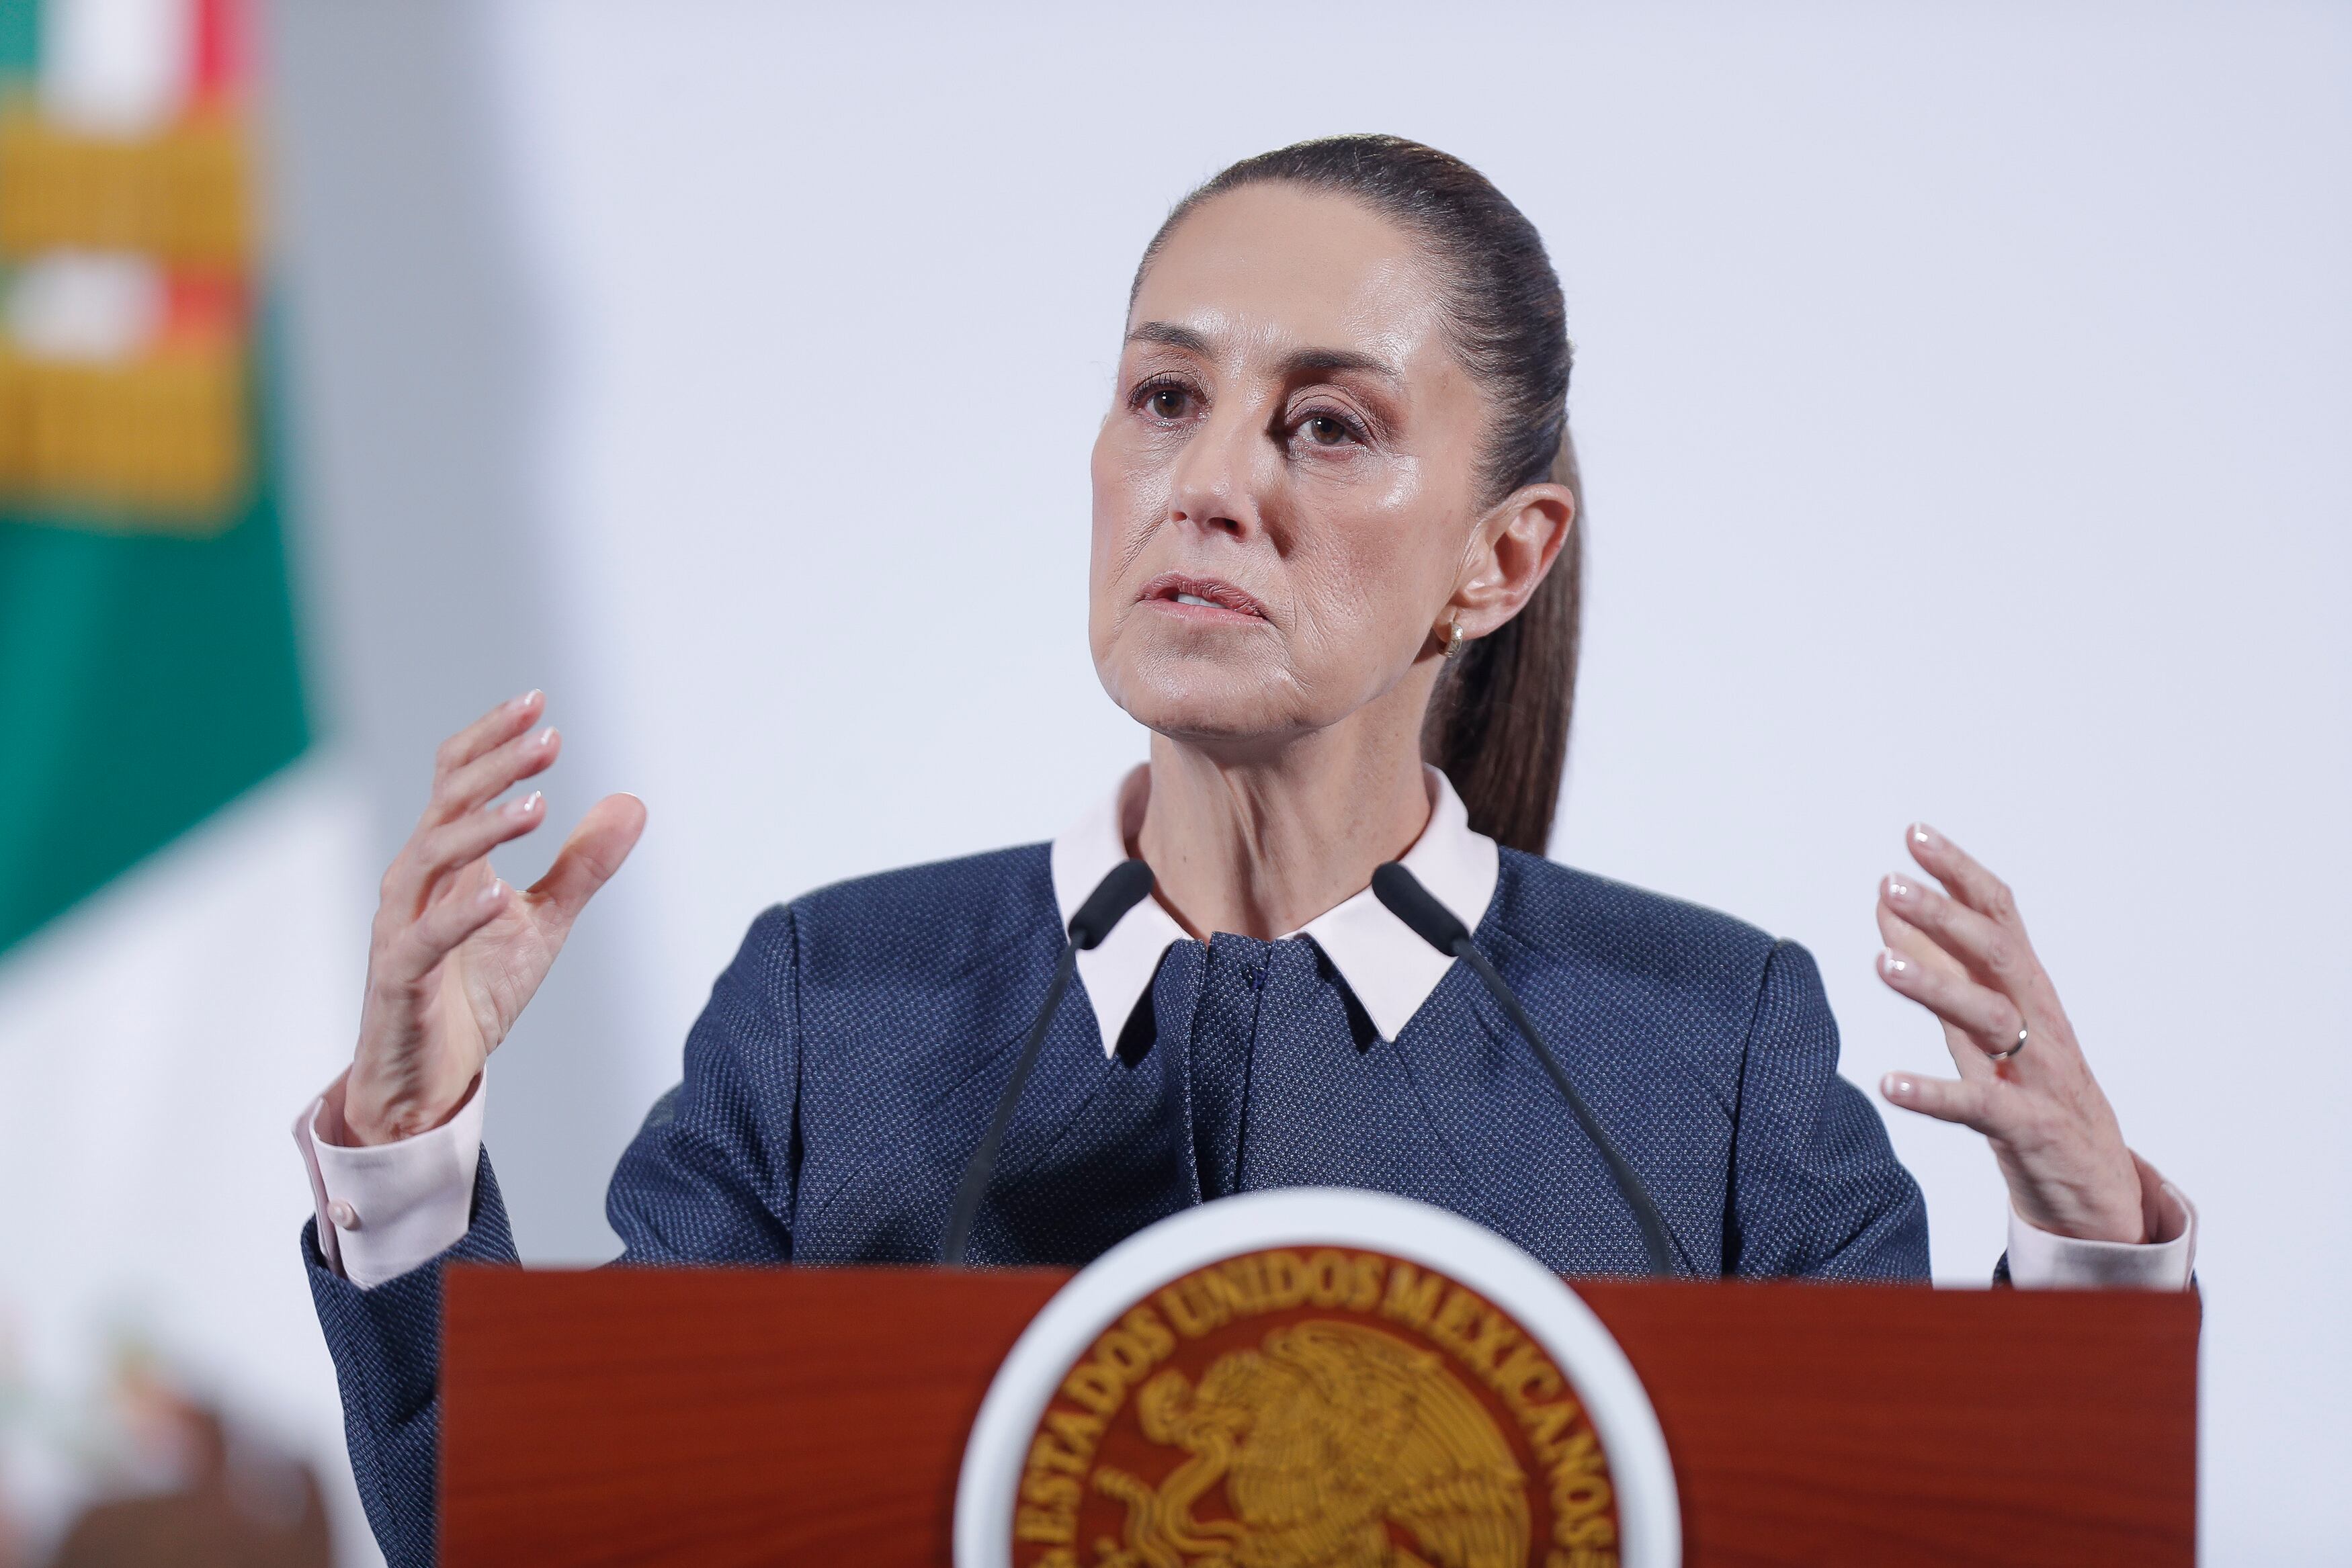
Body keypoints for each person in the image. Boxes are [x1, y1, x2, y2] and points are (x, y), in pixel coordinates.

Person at [294, 137, 2195, 1568]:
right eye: (1165, 398)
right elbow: (532, 1537)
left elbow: (1930, 1539)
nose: (1210, 483)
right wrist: (409, 1148)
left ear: (1499, 557)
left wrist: (2093, 1270)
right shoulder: (837, 1008)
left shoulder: (1701, 1049)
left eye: (1327, 425)